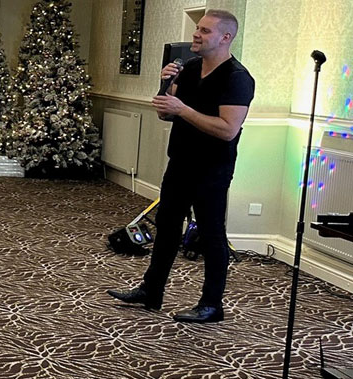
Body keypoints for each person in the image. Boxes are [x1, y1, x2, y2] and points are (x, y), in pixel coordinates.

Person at [108, 9, 254, 324]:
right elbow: (166, 113)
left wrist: (183, 109)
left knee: (211, 235)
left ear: (225, 37)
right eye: (197, 28)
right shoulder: (188, 69)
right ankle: (152, 290)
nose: (196, 35)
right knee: (167, 228)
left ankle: (212, 305)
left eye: (204, 30)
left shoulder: (237, 78)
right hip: (180, 161)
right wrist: (165, 88)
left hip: (212, 169)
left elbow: (228, 129)